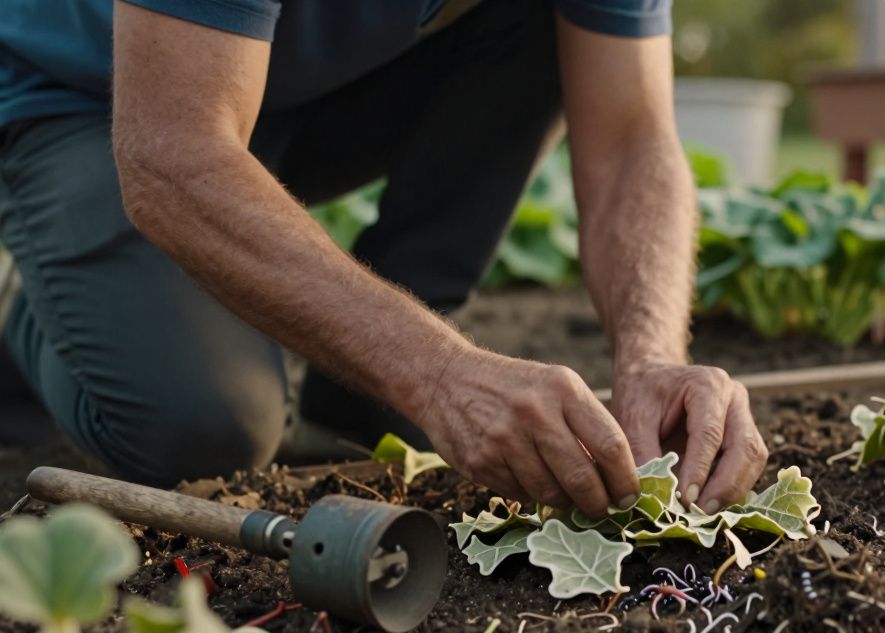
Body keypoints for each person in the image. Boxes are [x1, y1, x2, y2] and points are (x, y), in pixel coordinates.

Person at [0, 0, 768, 516]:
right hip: (85, 98)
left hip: (294, 91)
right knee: (204, 431)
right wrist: (438, 373)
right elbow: (172, 153)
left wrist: (652, 360)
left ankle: (365, 393)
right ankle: (26, 294)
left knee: (540, 19)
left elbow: (633, 134)